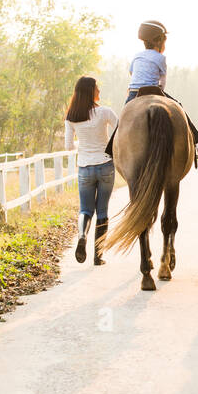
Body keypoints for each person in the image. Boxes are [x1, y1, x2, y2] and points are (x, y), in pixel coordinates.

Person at [105, 20, 198, 157]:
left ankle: (111, 149)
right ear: (159, 41)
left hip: (134, 92)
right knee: (178, 105)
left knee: (123, 118)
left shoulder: (137, 56)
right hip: (153, 90)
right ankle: (195, 136)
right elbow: (163, 79)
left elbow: (132, 73)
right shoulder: (160, 58)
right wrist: (160, 92)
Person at [64, 75, 118, 265]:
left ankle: (82, 236)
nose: (99, 91)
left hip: (85, 168)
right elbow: (121, 129)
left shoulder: (71, 117)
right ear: (90, 91)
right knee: (102, 211)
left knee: (85, 209)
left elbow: (68, 146)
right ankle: (98, 256)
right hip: (105, 166)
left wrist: (85, 142)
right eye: (97, 88)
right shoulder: (104, 112)